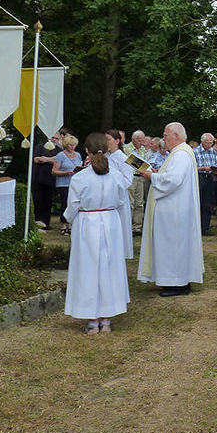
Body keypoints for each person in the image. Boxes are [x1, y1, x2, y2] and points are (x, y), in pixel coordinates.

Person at [63, 133, 130, 334]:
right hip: (110, 221)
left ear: (86, 151)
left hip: (88, 222)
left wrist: (71, 220)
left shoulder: (80, 177)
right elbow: (120, 200)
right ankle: (106, 320)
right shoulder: (116, 176)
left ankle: (93, 321)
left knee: (88, 269)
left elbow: (72, 206)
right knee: (109, 267)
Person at [137, 122, 204, 297]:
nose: (163, 138)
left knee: (173, 246)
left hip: (174, 210)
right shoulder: (179, 153)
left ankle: (176, 283)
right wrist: (158, 173)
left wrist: (152, 176)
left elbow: (173, 180)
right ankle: (177, 281)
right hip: (175, 207)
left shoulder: (181, 154)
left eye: (166, 135)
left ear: (176, 135)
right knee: (174, 246)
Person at [105, 129, 135, 259]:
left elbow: (127, 180)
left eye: (109, 140)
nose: (106, 143)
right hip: (105, 197)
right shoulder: (105, 157)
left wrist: (112, 184)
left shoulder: (124, 158)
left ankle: (119, 253)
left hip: (118, 198)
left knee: (119, 226)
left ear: (117, 141)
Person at [195, 133, 217, 235]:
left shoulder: (213, 152)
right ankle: (196, 228)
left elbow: (215, 166)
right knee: (199, 203)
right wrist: (203, 168)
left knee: (208, 204)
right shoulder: (195, 152)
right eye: (207, 143)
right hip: (199, 177)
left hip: (210, 178)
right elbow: (192, 168)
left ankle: (205, 228)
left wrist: (216, 171)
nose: (209, 145)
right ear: (202, 142)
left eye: (211, 143)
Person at [31, 131, 62, 229]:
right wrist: (50, 159)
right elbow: (36, 159)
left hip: (50, 179)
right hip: (38, 178)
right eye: (53, 137)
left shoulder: (58, 150)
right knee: (37, 200)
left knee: (48, 201)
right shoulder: (40, 146)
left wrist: (46, 159)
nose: (54, 140)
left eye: (56, 138)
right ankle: (37, 221)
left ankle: (46, 222)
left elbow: (59, 161)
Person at [52, 135, 82, 235]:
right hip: (64, 183)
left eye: (74, 145)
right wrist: (65, 173)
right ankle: (63, 224)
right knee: (65, 203)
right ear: (66, 145)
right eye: (70, 145)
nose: (72, 147)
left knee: (74, 203)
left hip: (75, 183)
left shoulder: (78, 155)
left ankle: (71, 224)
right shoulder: (60, 155)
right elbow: (54, 171)